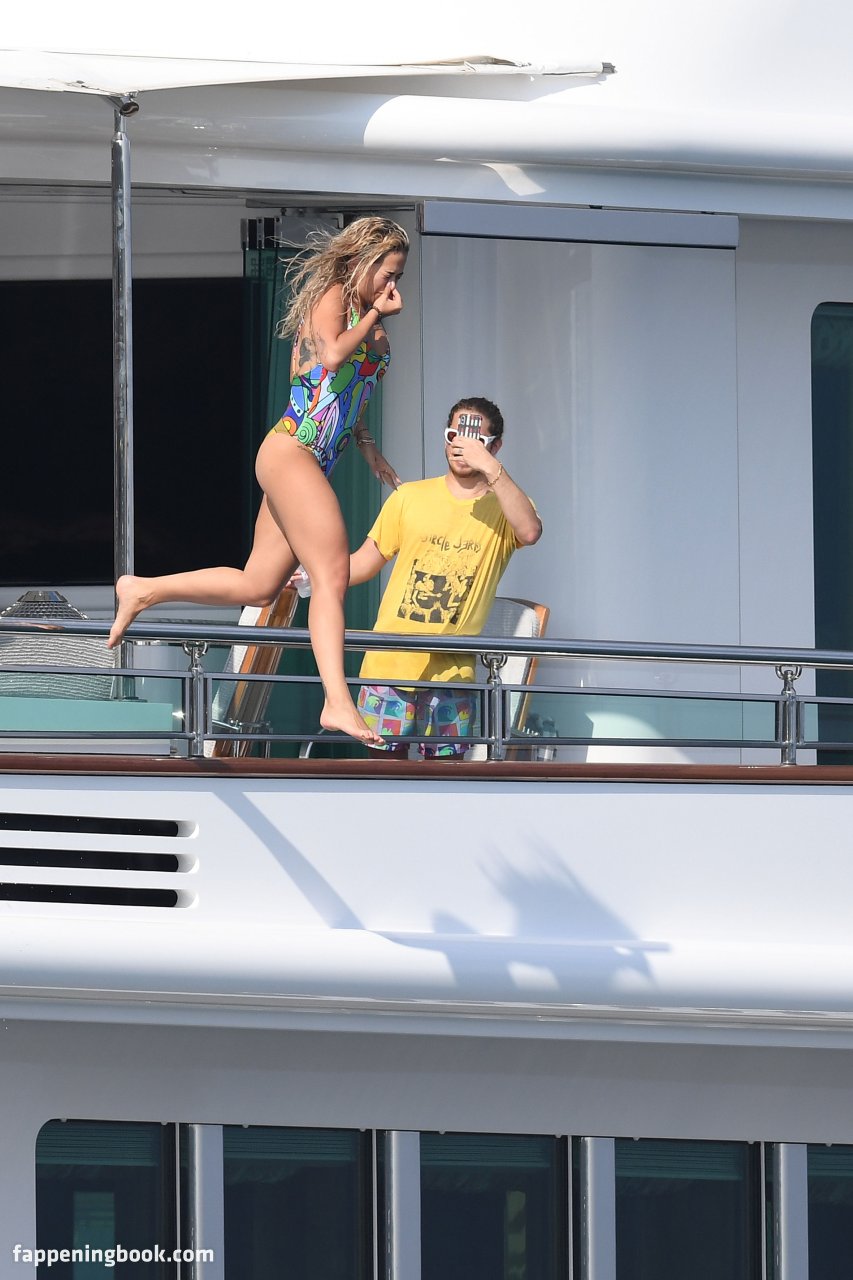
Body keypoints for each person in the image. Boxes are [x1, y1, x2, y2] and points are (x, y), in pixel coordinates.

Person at [107, 215, 410, 745]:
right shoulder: (334, 296)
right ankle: (337, 702)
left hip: (310, 458)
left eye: (399, 277)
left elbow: (344, 390)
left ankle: (144, 589)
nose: (393, 286)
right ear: (362, 262)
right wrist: (373, 319)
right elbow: (332, 355)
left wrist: (368, 447)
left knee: (259, 585)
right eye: (388, 273)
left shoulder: (368, 319)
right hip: (291, 451)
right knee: (332, 574)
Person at [349, 396, 542, 757]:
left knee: (445, 775)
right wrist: (310, 574)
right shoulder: (409, 497)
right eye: (454, 435)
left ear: (495, 446)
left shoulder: (505, 508)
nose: (461, 446)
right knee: (381, 772)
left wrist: (490, 467)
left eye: (476, 439)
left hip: (453, 673)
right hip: (389, 663)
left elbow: (530, 531)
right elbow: (364, 562)